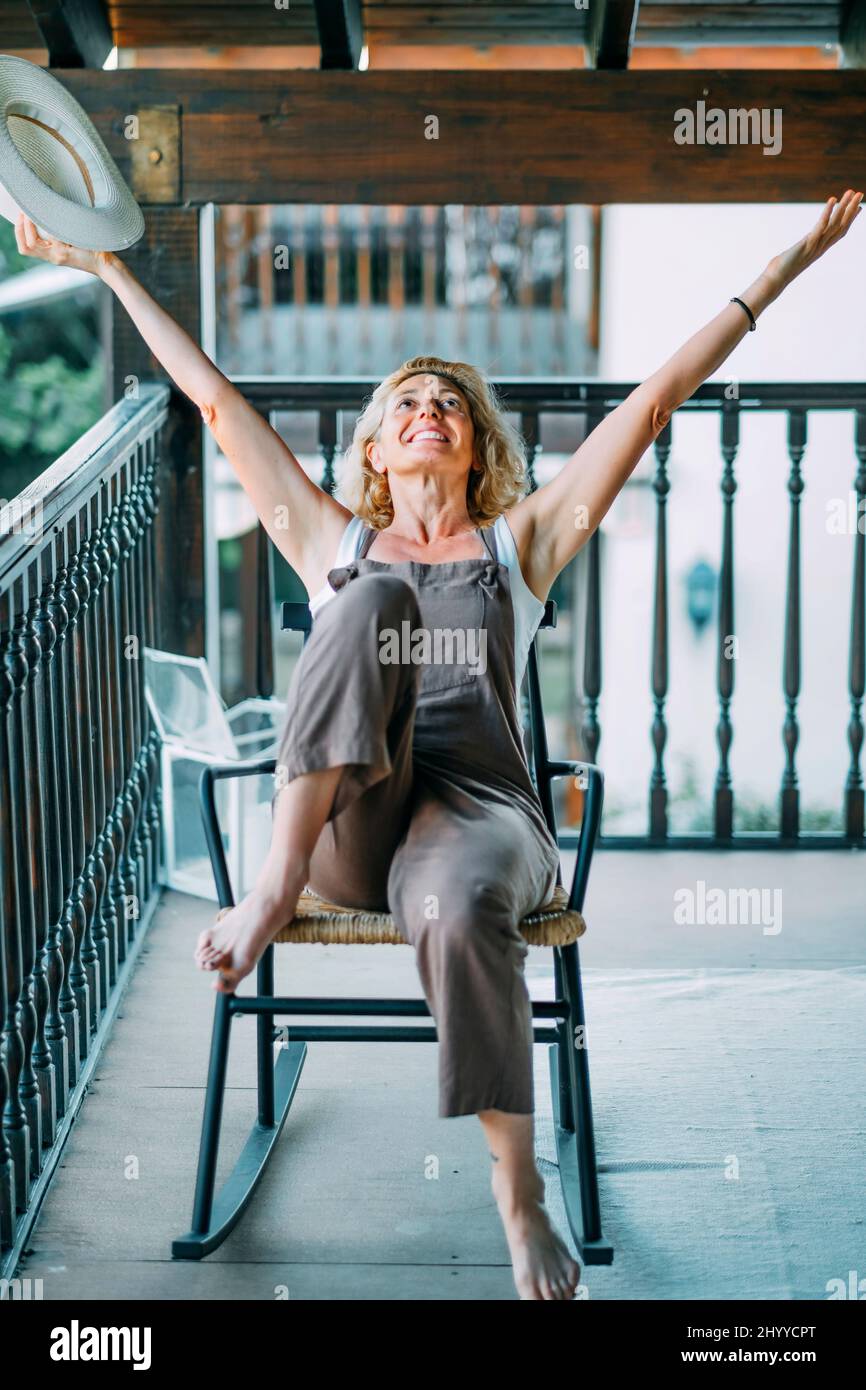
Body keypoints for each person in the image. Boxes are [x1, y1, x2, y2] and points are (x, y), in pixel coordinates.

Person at [15, 190, 861, 1300]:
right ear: (374, 444)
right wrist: (104, 268)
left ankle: (519, 1197)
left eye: (448, 402)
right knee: (363, 603)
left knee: (462, 905)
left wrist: (788, 261)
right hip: (345, 826)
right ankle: (269, 887)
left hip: (485, 820)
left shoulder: (522, 542)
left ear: (475, 444)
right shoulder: (337, 538)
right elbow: (214, 403)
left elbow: (652, 404)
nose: (428, 409)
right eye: (406, 401)